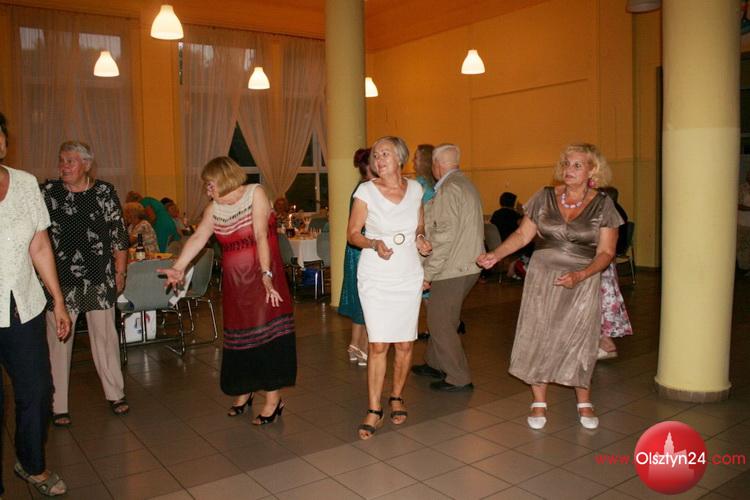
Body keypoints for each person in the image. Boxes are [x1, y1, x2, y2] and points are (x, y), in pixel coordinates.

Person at [478, 143, 622, 430]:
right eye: (566, 164)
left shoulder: (604, 204)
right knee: (539, 334)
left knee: (580, 337)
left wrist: (581, 275)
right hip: (542, 277)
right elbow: (523, 235)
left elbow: (606, 252)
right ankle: (539, 401)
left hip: (582, 279)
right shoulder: (544, 197)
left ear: (592, 170)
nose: (569, 170)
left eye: (577, 165)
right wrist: (496, 254)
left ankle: (584, 400)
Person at [160, 157, 296, 425]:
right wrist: (178, 266)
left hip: (263, 278)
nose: (207, 190)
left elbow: (260, 235)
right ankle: (244, 390)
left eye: (210, 184)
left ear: (224, 179)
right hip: (236, 284)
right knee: (240, 337)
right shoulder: (214, 209)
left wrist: (266, 274)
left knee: (268, 337)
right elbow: (199, 237)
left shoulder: (255, 193)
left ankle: (273, 399)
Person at [0, 113, 70, 497]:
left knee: (39, 391)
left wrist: (57, 301)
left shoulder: (25, 184)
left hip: (22, 306)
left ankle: (31, 463)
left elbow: (40, 245)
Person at [347, 136, 432, 439]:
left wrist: (420, 238)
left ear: (400, 159)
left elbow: (419, 225)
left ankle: (396, 396)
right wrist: (373, 243)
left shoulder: (417, 190)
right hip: (376, 273)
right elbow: (353, 233)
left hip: (408, 272)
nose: (379, 160)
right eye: (376, 155)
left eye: (385, 154)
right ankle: (374, 408)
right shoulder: (366, 191)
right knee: (378, 344)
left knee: (406, 343)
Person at [41, 141, 131, 426]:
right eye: (61, 160)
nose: (64, 166)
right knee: (59, 341)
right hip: (60, 279)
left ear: (87, 165)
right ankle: (57, 404)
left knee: (105, 337)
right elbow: (36, 237)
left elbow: (118, 234)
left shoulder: (104, 192)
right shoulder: (49, 192)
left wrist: (120, 272)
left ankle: (115, 393)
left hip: (99, 276)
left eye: (70, 161)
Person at [411, 144, 483, 392]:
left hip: (453, 267)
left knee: (440, 321)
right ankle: (434, 363)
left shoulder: (450, 189)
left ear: (437, 165)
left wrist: (428, 273)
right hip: (465, 264)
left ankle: (458, 376)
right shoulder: (465, 184)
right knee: (443, 317)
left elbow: (443, 237)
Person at [339, 148, 373, 366]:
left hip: (355, 248)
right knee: (368, 297)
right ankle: (365, 346)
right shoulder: (369, 188)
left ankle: (355, 344)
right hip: (365, 247)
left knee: (358, 295)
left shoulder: (360, 187)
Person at [598, 187, 633, 359]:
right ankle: (604, 343)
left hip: (602, 262)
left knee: (600, 302)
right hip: (607, 263)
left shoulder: (608, 214)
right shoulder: (618, 211)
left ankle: (605, 343)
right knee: (604, 301)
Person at [737, 169, 750, 277]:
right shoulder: (742, 188)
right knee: (741, 246)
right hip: (743, 223)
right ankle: (742, 268)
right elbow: (737, 204)